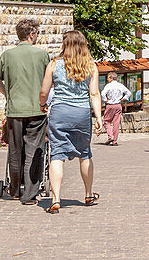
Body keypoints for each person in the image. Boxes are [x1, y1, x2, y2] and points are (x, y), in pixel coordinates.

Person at [40, 30, 104, 214]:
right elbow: (94, 93)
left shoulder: (54, 64)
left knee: (57, 154)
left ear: (65, 44)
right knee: (85, 153)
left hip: (59, 112)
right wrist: (98, 117)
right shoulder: (90, 66)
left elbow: (44, 91)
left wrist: (42, 104)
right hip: (81, 113)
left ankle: (56, 198)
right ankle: (89, 194)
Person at [0, 18, 50, 204]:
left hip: (14, 110)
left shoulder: (8, 55)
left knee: (15, 151)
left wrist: (8, 95)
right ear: (32, 34)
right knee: (34, 151)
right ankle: (30, 194)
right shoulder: (42, 55)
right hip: (36, 109)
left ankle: (15, 189)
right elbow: (48, 82)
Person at [99, 72, 131, 146]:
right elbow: (128, 93)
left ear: (111, 78)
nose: (107, 79)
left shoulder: (108, 86)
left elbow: (103, 93)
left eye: (108, 77)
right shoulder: (120, 85)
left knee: (107, 121)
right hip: (118, 104)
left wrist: (105, 99)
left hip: (110, 104)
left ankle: (110, 136)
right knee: (116, 123)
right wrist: (123, 98)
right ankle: (115, 141)